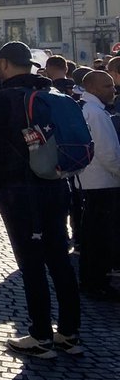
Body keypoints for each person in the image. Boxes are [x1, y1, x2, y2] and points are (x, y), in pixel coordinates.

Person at [0, 41, 82, 359]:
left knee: (32, 264)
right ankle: (69, 333)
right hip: (56, 183)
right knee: (60, 260)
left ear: (4, 64)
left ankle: (40, 335)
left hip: (21, 190)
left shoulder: (1, 99)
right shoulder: (54, 94)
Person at [76, 70, 120, 300]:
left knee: (93, 234)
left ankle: (92, 278)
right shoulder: (96, 113)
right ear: (92, 88)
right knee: (100, 236)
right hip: (102, 181)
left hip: (93, 181)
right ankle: (97, 281)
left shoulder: (88, 109)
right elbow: (108, 152)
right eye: (107, 86)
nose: (112, 89)